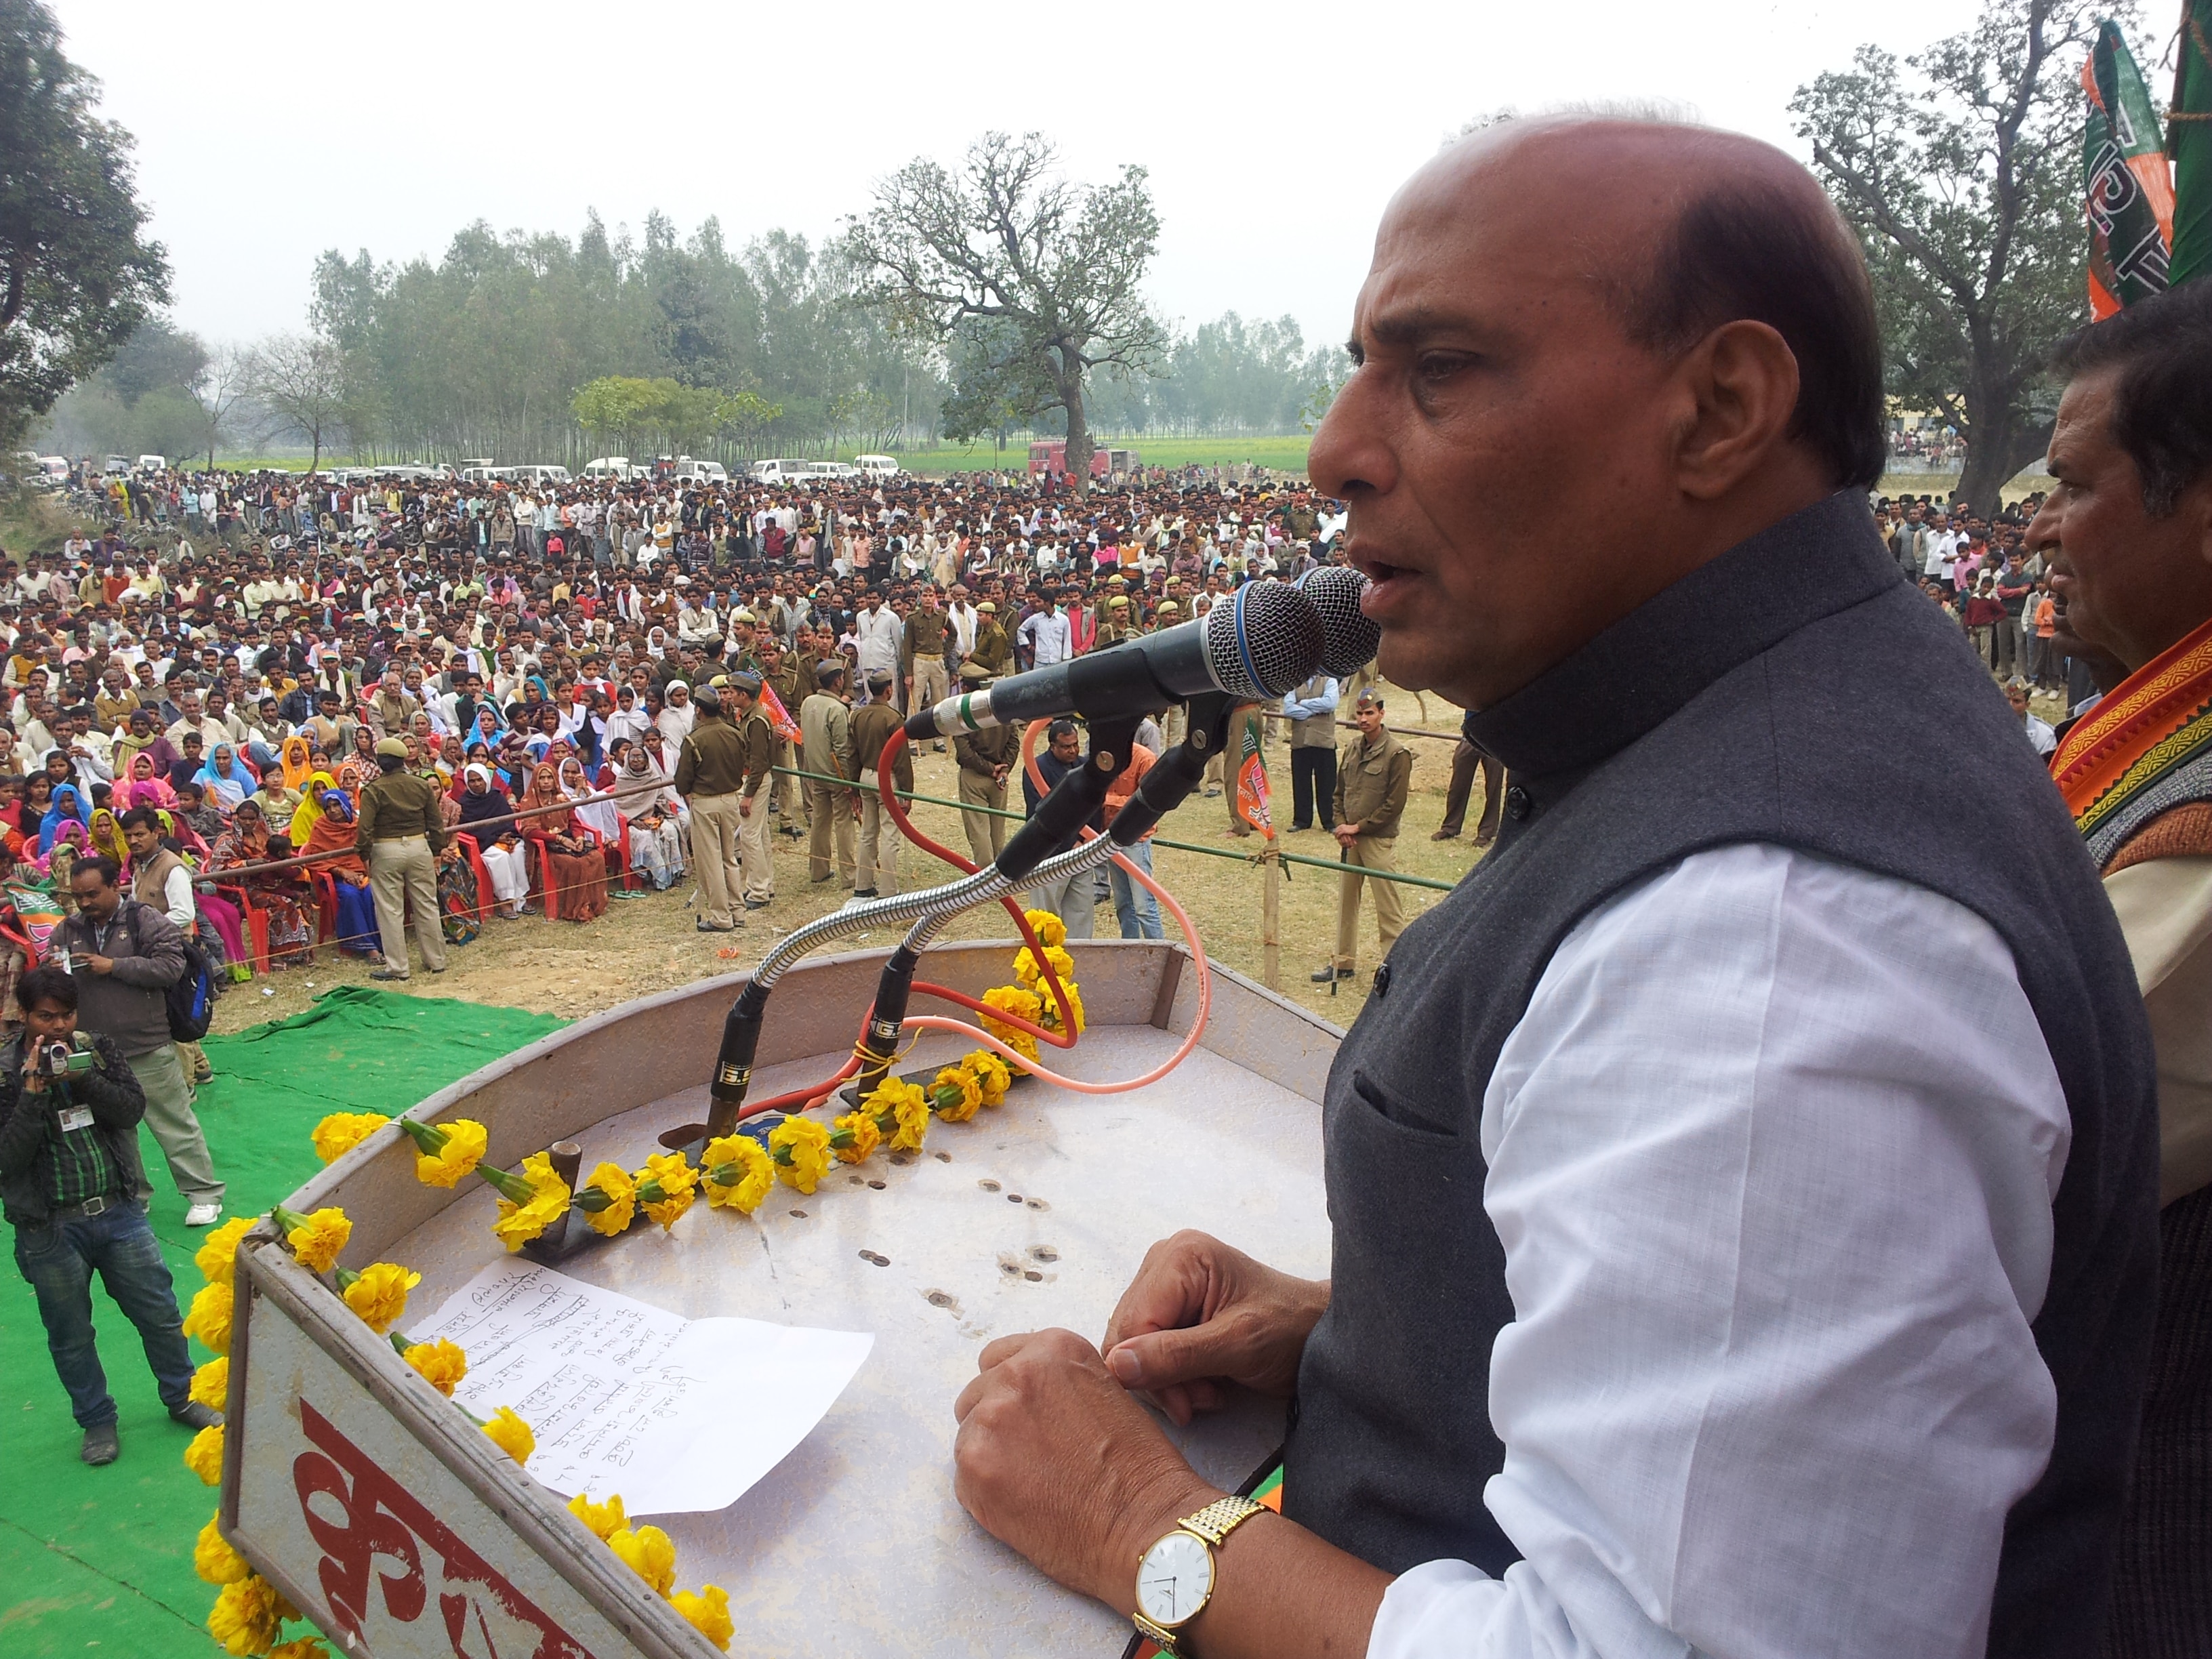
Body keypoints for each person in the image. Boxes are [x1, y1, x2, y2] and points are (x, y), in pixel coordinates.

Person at [947, 119, 2157, 1659]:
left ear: (1719, 407)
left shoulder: (1771, 934)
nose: (1335, 448)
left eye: (1434, 368)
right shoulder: (1765, 716)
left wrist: (1136, 1519)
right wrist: (1381, 1318)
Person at [2022, 276, 2212, 1655]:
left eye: (2076, 484)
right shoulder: (2151, 748)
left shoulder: (2197, 836)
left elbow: (1992, 1176)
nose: (2037, 521)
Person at [0, 964, 218, 1467]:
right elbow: (7, 1160)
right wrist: (33, 1097)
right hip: (49, 1229)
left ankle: (182, 1396)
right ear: (25, 1015)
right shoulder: (8, 1074)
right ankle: (97, 1420)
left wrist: (85, 1078)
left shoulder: (94, 1049)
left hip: (118, 1212)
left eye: (66, 1015)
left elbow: (131, 1110)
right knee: (71, 1335)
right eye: (45, 1017)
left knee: (160, 1315)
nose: (57, 1028)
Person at [49, 856, 224, 1229]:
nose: (84, 903)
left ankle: (204, 1193)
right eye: (77, 896)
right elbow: (55, 982)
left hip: (147, 1044)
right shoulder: (68, 929)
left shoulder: (146, 921)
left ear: (117, 886)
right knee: (115, 1130)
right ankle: (134, 1195)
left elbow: (169, 969)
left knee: (174, 1123)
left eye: (93, 894)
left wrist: (113, 966)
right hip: (96, 1052)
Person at [1313, 691, 1410, 984]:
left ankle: (1394, 969)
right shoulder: (1352, 748)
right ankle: (1342, 962)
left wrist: (1359, 827)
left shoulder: (1397, 753)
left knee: (1388, 906)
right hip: (1350, 839)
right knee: (1346, 903)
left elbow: (1395, 804)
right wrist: (1342, 826)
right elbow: (1340, 792)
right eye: (1359, 714)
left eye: (1370, 713)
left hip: (1377, 839)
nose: (1364, 719)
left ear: (1382, 714)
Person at [120, 807, 212, 1085]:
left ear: (156, 832)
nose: (134, 841)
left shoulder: (172, 868)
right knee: (175, 1011)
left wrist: (149, 929)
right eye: (128, 836)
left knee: (175, 1016)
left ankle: (187, 1084)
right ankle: (202, 1066)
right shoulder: (141, 864)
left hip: (175, 950)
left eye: (140, 834)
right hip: (155, 949)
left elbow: (184, 913)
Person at [356, 737, 448, 979]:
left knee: (390, 910)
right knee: (427, 904)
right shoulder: (421, 785)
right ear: (402, 760)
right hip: (419, 846)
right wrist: (437, 850)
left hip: (386, 849)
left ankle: (398, 968)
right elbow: (436, 823)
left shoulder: (373, 789)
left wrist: (364, 855)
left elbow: (364, 829)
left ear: (380, 761)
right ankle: (436, 960)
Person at [674, 683, 751, 931]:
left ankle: (721, 916)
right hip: (730, 799)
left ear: (699, 710)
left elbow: (681, 781)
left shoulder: (694, 740)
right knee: (730, 858)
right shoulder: (734, 733)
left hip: (705, 803)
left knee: (711, 862)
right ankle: (738, 912)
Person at [1019, 718, 1097, 939]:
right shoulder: (1037, 768)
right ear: (1052, 745)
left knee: (1081, 911)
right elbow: (1040, 813)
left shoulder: (1084, 766)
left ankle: (1079, 960)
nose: (1072, 750)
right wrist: (1070, 842)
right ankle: (1045, 962)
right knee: (1046, 915)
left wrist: (1087, 840)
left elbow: (1095, 804)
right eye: (1066, 746)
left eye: (1075, 744)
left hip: (1082, 852)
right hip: (1049, 854)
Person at [520, 748, 609, 922]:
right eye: (542, 778)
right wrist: (560, 839)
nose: (546, 782)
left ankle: (592, 904)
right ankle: (574, 908)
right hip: (549, 847)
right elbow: (529, 830)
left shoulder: (561, 798)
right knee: (573, 864)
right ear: (536, 781)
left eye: (549, 778)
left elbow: (574, 821)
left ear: (555, 780)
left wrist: (579, 838)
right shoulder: (529, 801)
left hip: (568, 840)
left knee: (595, 858)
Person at [849, 669, 913, 898]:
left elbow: (852, 753)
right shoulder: (893, 718)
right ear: (889, 690)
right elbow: (902, 760)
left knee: (868, 833)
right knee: (889, 835)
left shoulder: (857, 715)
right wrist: (907, 793)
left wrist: (854, 788)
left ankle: (863, 884)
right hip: (886, 779)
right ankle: (888, 890)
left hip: (864, 776)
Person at [951, 663, 1019, 867]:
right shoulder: (1001, 709)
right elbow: (1014, 742)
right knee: (998, 829)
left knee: (978, 830)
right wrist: (1004, 768)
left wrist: (991, 769)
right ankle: (1000, 869)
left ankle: (985, 873)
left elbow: (965, 752)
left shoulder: (962, 713)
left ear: (965, 687)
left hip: (976, 776)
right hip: (1000, 776)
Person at [298, 790, 380, 958]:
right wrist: (342, 872)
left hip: (363, 874)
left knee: (371, 893)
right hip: (335, 878)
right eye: (328, 807)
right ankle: (367, 947)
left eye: (336, 805)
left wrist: (366, 874)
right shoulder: (321, 827)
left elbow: (370, 852)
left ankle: (380, 942)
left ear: (345, 805)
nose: (332, 810)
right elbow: (312, 858)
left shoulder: (358, 825)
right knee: (351, 896)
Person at [798, 660, 858, 888]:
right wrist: (848, 782)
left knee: (820, 821)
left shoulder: (808, 703)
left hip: (815, 772)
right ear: (837, 681)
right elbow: (842, 750)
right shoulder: (837, 709)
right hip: (835, 776)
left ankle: (818, 870)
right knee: (844, 823)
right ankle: (850, 876)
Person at [455, 765, 528, 920]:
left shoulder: (497, 797)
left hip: (503, 837)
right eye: (472, 781)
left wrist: (507, 836)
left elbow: (508, 820)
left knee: (518, 851)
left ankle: (521, 897)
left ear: (486, 779)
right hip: (484, 843)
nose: (477, 784)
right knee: (500, 857)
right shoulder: (466, 803)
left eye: (480, 779)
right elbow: (471, 830)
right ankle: (505, 901)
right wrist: (495, 838)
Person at [1281, 671, 1340, 832]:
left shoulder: (1330, 680)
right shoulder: (1294, 679)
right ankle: (1301, 821)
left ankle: (1330, 821)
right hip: (1300, 741)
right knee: (1300, 783)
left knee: (1327, 784)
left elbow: (1330, 703)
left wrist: (1303, 703)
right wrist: (1315, 710)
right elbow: (1288, 709)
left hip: (1324, 741)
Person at [1433, 718, 1504, 846]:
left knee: (1493, 787)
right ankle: (1450, 827)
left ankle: (1486, 832)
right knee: (1458, 783)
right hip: (1471, 735)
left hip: (1495, 738)